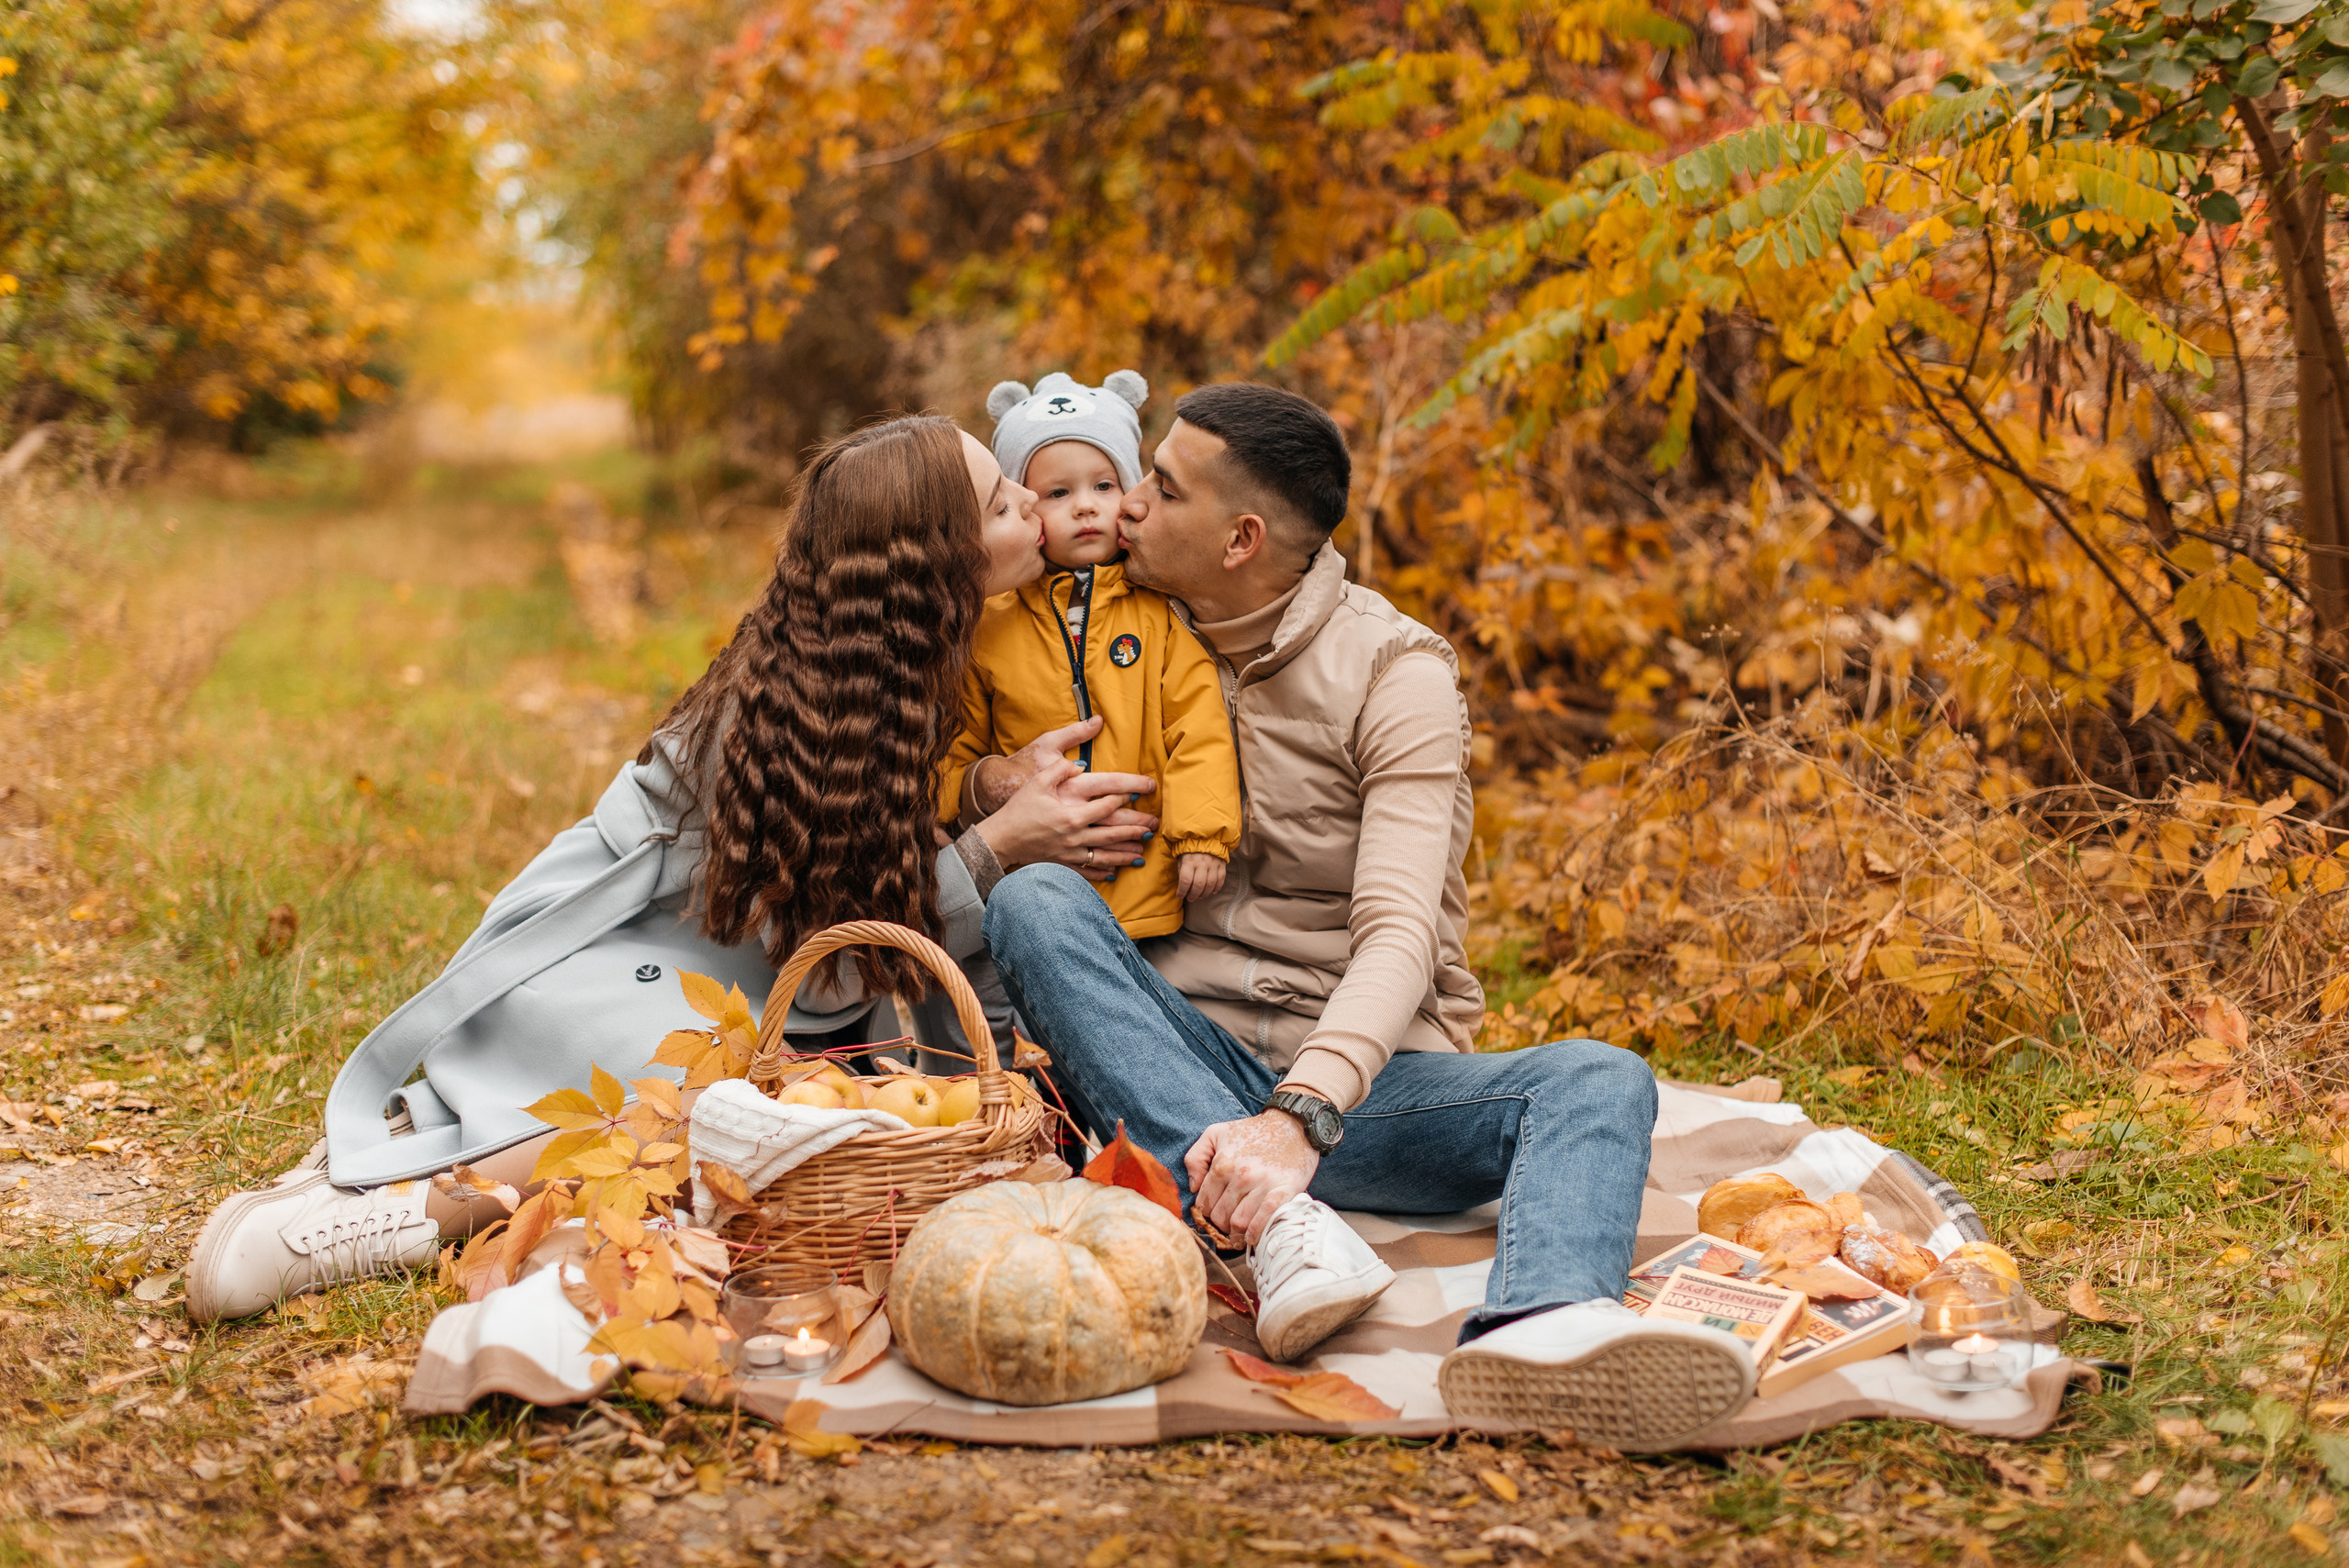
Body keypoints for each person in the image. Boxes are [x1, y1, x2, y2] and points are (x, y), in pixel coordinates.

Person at [185, 415, 1160, 1324]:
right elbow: (835, 954)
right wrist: (1001, 846)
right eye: (1001, 503)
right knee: (712, 1108)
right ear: (931, 565)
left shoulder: (903, 663)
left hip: (736, 977)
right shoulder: (806, 709)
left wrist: (987, 796)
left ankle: (432, 1189)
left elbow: (878, 891)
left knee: (805, 1110)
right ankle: (408, 1212)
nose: (1032, 506)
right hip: (614, 960)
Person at [964, 383, 1754, 1451]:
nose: (1126, 505)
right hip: (1162, 1047)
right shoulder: (1117, 631)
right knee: (1034, 898)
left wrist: (1299, 1120)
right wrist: (991, 785)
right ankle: (1278, 1231)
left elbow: (1399, 933)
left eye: (1160, 486)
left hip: (1353, 1093)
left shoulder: (1396, 672)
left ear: (1240, 538)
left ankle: (1544, 1331)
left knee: (1599, 1077)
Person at [939, 370, 1241, 938]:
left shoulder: (1158, 610)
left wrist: (1203, 832)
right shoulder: (992, 626)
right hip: (1033, 891)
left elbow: (1197, 725)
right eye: (1058, 493)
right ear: (1024, 506)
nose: (1084, 507)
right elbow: (958, 748)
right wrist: (967, 796)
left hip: (1146, 881)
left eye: (1104, 486)